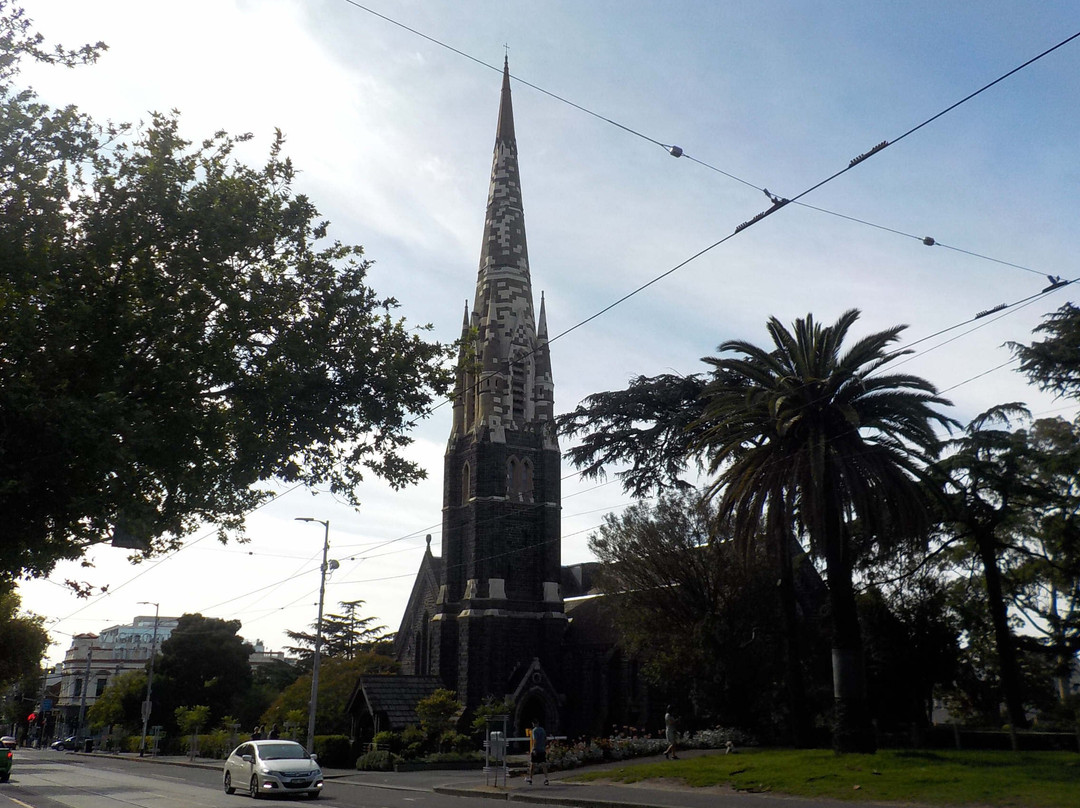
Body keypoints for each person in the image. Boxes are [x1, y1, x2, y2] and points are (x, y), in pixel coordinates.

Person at [526, 718, 548, 785]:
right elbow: (545, 739)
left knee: (532, 764)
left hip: (536, 749)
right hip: (542, 749)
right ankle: (546, 778)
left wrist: (533, 749)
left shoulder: (534, 731)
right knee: (543, 764)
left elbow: (535, 740)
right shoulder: (542, 730)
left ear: (533, 724)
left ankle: (530, 778)